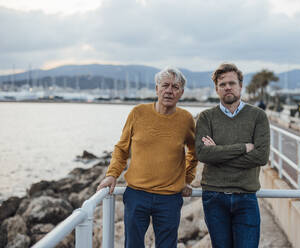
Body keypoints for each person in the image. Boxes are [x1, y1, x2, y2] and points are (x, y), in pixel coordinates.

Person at [97, 66, 198, 248]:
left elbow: (195, 151)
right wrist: (112, 175)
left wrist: (187, 178)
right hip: (137, 194)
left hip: (170, 198)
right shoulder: (138, 113)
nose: (169, 90)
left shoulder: (186, 119)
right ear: (156, 89)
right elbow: (121, 148)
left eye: (175, 87)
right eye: (165, 85)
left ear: (181, 93)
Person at [195, 63, 270, 248]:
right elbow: (203, 154)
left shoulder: (258, 116)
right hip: (214, 196)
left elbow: (261, 157)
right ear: (216, 89)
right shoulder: (206, 117)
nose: (227, 87)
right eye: (222, 84)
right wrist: (243, 148)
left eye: (232, 83)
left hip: (245, 195)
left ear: (240, 86)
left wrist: (218, 153)